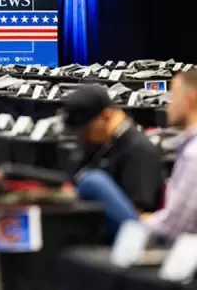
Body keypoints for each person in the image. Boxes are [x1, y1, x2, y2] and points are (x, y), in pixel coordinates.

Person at [62, 85, 165, 212]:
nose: (82, 138)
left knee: (92, 181)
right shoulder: (99, 145)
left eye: (86, 131)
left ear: (106, 117)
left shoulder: (139, 150)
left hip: (127, 227)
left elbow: (139, 212)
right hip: (87, 220)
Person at [139, 69, 197, 240]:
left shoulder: (193, 154)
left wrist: (137, 221)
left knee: (94, 182)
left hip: (177, 249)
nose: (168, 105)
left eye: (173, 96)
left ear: (192, 98)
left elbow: (173, 227)